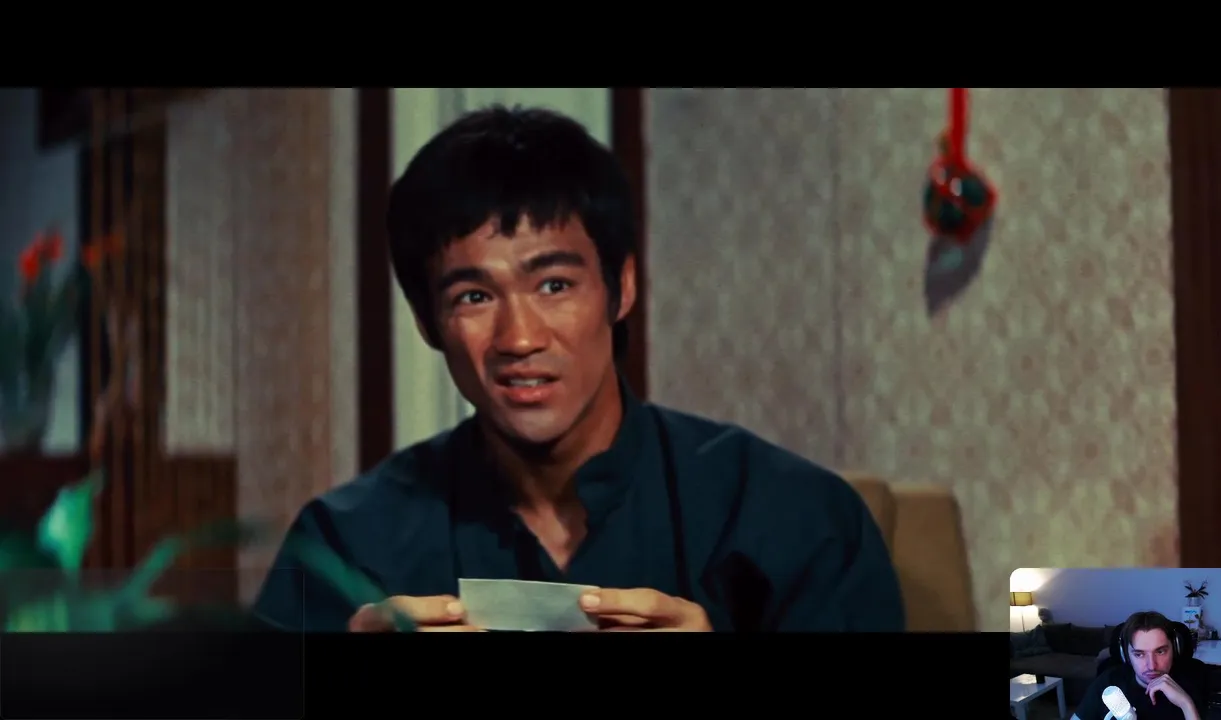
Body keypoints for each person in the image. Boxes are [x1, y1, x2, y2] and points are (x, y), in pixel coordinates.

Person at [251, 104, 905, 633]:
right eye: (473, 297)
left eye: (555, 285)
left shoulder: (792, 519)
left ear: (622, 288)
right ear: (427, 322)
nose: (519, 338)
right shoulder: (346, 543)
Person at [1073, 611, 1205, 720]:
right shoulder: (1109, 682)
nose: (1152, 666)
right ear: (1126, 655)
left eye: (1160, 651)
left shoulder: (1190, 684)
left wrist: (1186, 704)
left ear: (1175, 649)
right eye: (1139, 654)